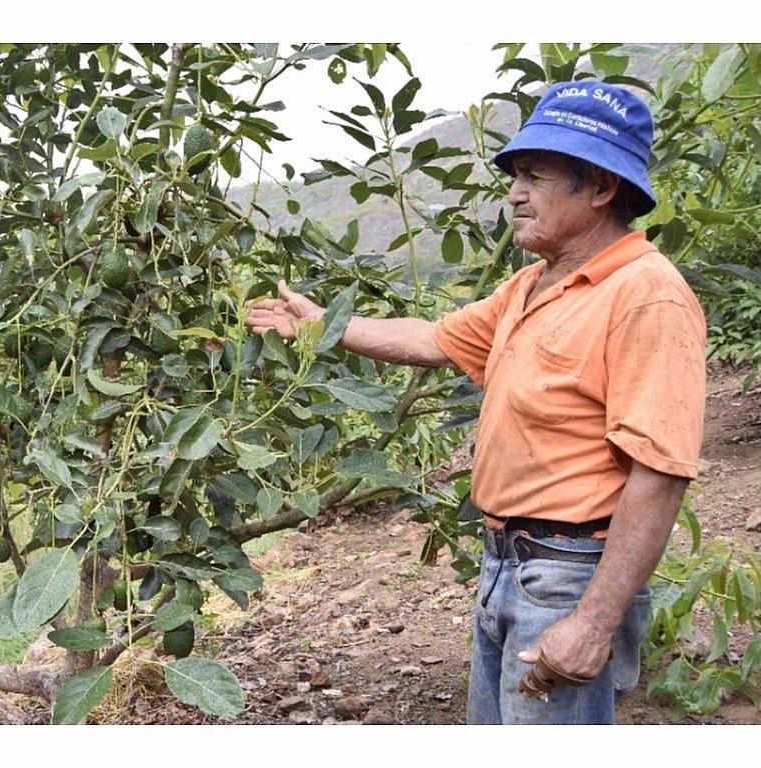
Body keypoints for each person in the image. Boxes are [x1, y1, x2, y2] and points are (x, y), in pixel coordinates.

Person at [245, 81, 706, 724]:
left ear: (600, 188)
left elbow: (658, 474)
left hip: (567, 579)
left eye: (535, 176)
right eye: (515, 175)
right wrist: (324, 324)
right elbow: (435, 338)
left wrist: (593, 623)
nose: (514, 193)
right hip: (507, 568)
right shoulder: (532, 284)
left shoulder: (645, 296)